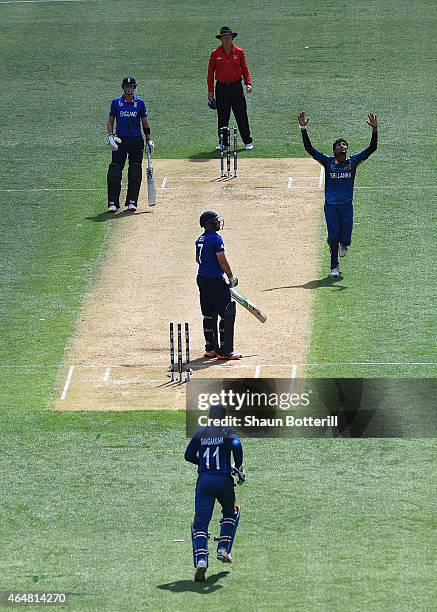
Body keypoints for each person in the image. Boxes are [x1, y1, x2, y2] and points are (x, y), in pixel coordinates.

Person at [298, 112, 378, 277]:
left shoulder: (353, 162)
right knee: (333, 236)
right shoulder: (327, 162)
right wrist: (303, 128)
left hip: (347, 205)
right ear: (334, 149)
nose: (342, 146)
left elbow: (372, 149)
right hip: (331, 206)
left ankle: (343, 244)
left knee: (346, 239)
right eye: (339, 145)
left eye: (344, 145)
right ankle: (334, 266)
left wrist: (375, 130)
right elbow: (309, 149)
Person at [185, 403, 245, 582]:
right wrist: (239, 466)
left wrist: (203, 464)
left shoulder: (200, 433)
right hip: (224, 481)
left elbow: (188, 456)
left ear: (209, 416)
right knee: (231, 512)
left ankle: (202, 560)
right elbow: (236, 443)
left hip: (204, 482)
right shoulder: (228, 432)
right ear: (224, 418)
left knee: (200, 523)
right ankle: (223, 548)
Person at [196, 211, 241, 360]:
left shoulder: (200, 239)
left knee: (208, 314)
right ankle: (225, 351)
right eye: (215, 221)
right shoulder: (216, 239)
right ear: (209, 224)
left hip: (202, 279)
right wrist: (231, 276)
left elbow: (198, 259)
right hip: (215, 280)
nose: (218, 223)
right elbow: (222, 261)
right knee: (227, 313)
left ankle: (210, 349)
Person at [106, 76, 154, 213]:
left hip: (136, 140)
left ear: (134, 88)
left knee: (135, 170)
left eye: (131, 87)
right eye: (127, 87)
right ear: (123, 87)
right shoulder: (116, 103)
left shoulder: (140, 103)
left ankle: (132, 201)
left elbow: (145, 121)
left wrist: (148, 139)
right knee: (114, 170)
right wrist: (110, 136)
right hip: (120, 140)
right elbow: (110, 121)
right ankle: (113, 202)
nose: (129, 88)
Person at [207, 26, 253, 150]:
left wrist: (248, 83)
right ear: (221, 39)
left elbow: (245, 69)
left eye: (229, 37)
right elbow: (210, 73)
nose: (227, 39)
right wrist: (210, 91)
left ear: (232, 38)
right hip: (221, 88)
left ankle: (247, 141)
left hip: (236, 87)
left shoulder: (239, 52)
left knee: (241, 114)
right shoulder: (215, 53)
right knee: (222, 116)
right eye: (224, 37)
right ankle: (223, 143)